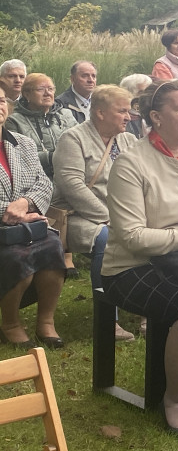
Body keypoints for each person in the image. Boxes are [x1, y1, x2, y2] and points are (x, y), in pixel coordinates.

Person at [102, 80, 178, 437]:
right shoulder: (131, 163)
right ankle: (175, 398)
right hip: (129, 267)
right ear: (155, 117)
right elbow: (131, 238)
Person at [51, 85, 137, 340]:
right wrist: (109, 216)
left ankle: (149, 312)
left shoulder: (129, 140)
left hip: (122, 214)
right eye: (122, 111)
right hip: (77, 216)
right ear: (100, 113)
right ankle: (108, 318)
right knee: (106, 238)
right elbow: (72, 185)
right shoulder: (73, 138)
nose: (129, 116)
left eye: (128, 110)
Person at [0, 86, 67, 349]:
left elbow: (43, 182)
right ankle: (10, 323)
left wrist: (25, 203)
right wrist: (10, 212)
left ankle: (46, 322)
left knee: (53, 248)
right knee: (17, 258)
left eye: (2, 101)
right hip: (5, 227)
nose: (0, 106)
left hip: (29, 221)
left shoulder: (22, 142)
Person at [7, 73, 78, 179]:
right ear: (27, 94)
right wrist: (50, 158)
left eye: (50, 89)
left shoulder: (66, 115)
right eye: (41, 89)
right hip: (34, 180)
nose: (47, 93)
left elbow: (81, 144)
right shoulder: (14, 120)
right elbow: (16, 157)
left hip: (70, 175)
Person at [54, 60, 97, 124]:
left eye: (93, 76)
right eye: (85, 76)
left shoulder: (102, 101)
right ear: (72, 79)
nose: (91, 80)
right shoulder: (60, 104)